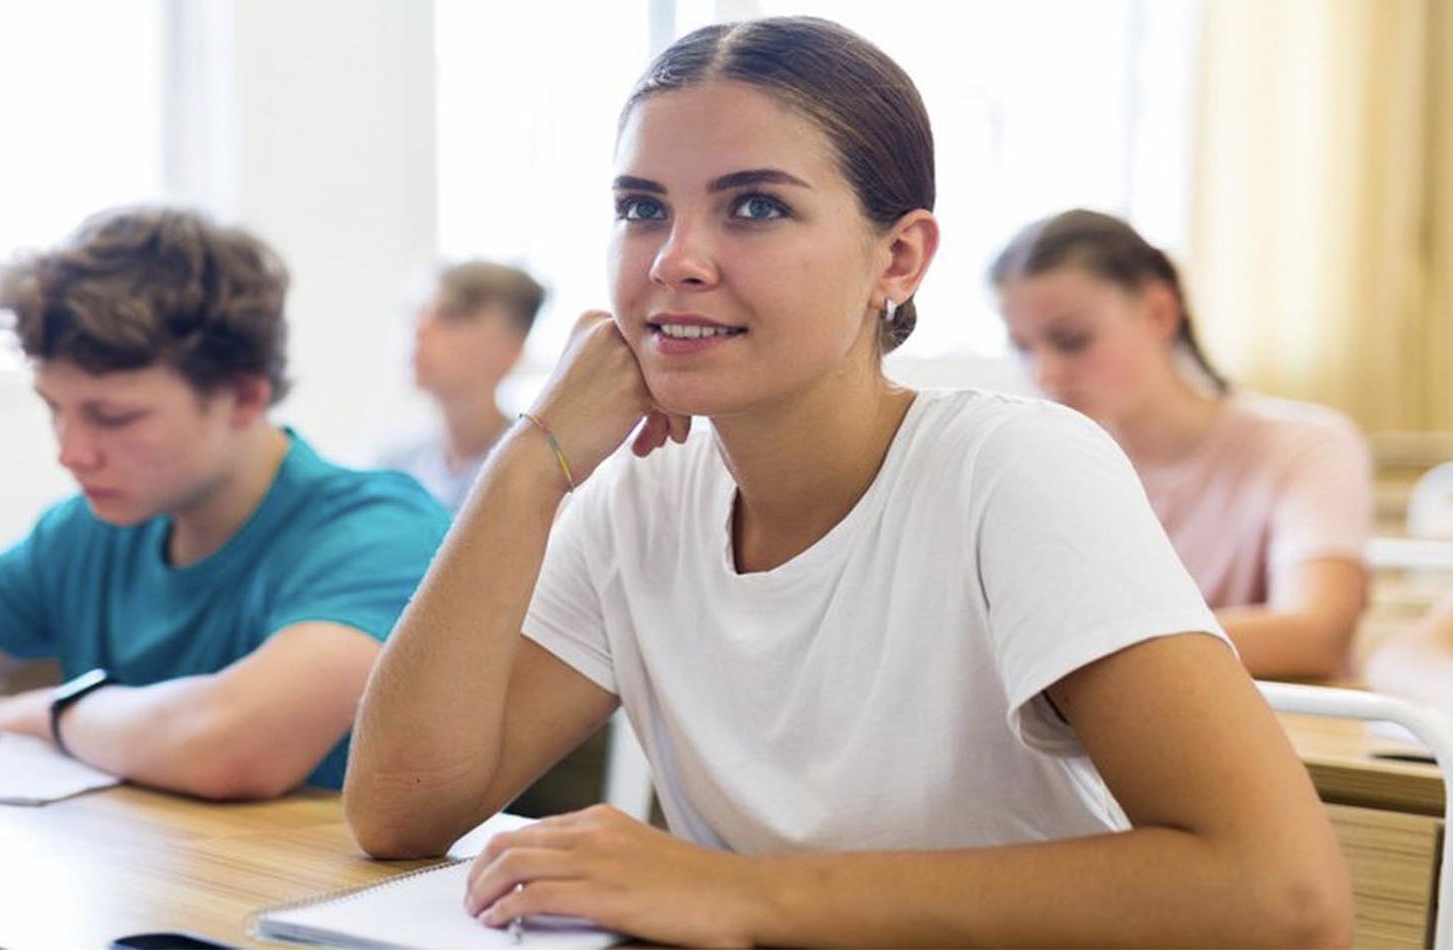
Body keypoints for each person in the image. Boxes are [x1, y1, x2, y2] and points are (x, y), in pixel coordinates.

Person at [344, 16, 1350, 947]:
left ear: (899, 258)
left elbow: (1284, 894)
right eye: (641, 207)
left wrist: (732, 890)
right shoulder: (634, 495)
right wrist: (533, 460)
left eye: (755, 206)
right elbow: (401, 808)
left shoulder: (1013, 469)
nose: (677, 260)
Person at [0, 206, 449, 802]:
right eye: (54, 409)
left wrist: (48, 714)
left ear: (243, 396)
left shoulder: (377, 532)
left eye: (113, 417)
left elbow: (232, 744)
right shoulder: (93, 528)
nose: (70, 451)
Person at [991, 209, 1372, 680]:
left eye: (1072, 340)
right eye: (1023, 347)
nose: (1045, 374)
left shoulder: (1306, 446)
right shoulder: (1047, 470)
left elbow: (1316, 637)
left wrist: (1078, 646)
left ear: (1159, 312)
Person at [379, 262, 546, 511]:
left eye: (450, 317)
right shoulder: (390, 465)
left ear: (512, 347)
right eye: (419, 314)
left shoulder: (538, 471)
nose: (420, 331)